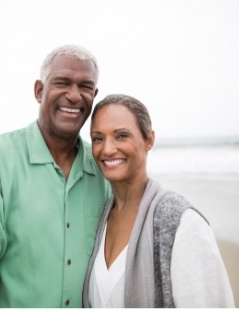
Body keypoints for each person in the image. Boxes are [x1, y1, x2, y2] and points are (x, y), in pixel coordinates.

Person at [0, 45, 111, 308]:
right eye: (62, 82)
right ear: (39, 91)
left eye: (85, 87)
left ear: (94, 95)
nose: (74, 95)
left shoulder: (104, 171)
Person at [83, 94, 235, 308]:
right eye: (98, 138)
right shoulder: (102, 218)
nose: (107, 149)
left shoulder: (183, 223)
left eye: (121, 136)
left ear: (149, 140)